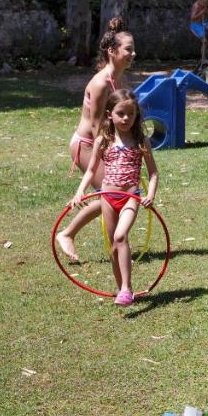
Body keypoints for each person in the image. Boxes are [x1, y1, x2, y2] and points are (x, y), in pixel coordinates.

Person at [70, 89, 159, 307]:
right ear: (110, 114)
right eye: (121, 113)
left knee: (121, 237)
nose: (126, 118)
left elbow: (153, 173)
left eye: (131, 114)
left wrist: (150, 194)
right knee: (113, 247)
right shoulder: (103, 140)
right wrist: (80, 191)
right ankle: (122, 289)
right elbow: (91, 170)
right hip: (108, 197)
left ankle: (127, 288)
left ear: (136, 115)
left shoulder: (140, 141)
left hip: (130, 197)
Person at [57, 17, 136, 263]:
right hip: (87, 144)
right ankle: (68, 234)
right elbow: (95, 126)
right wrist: (113, 153)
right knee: (112, 194)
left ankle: (116, 245)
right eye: (128, 49)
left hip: (105, 141)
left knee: (116, 193)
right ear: (112, 51)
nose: (133, 54)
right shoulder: (101, 83)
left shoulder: (121, 79)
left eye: (133, 49)